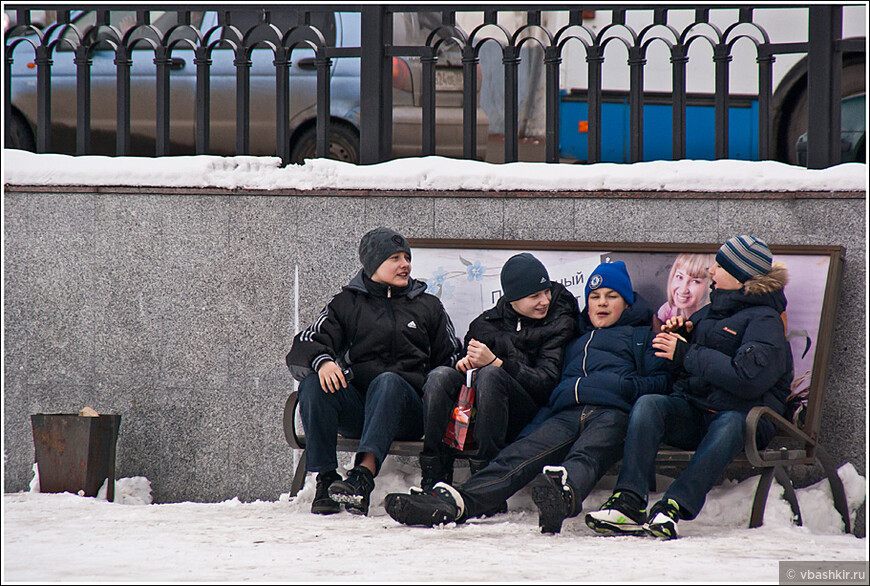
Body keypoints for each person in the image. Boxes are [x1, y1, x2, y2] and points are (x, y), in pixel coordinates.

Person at [384, 261, 670, 533]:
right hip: (566, 412)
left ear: (627, 302)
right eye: (594, 296)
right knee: (516, 458)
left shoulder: (643, 336)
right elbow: (551, 394)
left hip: (613, 413)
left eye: (612, 296)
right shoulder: (577, 340)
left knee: (587, 456)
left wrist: (620, 386)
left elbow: (660, 382)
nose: (602, 303)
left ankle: (561, 494)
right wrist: (530, 435)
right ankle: (457, 502)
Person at [585, 235, 792, 540]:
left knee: (732, 421)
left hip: (743, 418)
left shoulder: (766, 321)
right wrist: (679, 343)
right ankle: (629, 502)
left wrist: (686, 352)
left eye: (720, 266)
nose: (712, 271)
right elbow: (685, 370)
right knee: (650, 403)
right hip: (698, 411)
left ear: (740, 276)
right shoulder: (707, 314)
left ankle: (673, 506)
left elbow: (747, 380)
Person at [285, 227, 462, 516]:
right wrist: (325, 361)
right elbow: (305, 343)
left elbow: (450, 356)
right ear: (372, 264)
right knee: (314, 384)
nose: (405, 264)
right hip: (360, 410)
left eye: (407, 257)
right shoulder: (346, 303)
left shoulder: (428, 306)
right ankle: (326, 480)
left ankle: (363, 478)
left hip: (409, 412)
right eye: (395, 258)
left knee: (389, 381)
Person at [419, 253, 580, 491]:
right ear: (512, 299)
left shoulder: (559, 322)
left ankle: (487, 479)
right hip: (480, 411)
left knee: (491, 375)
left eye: (546, 292)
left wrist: (497, 363)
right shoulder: (484, 325)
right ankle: (435, 474)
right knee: (440, 376)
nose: (545, 300)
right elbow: (467, 373)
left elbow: (547, 383)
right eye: (535, 296)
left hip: (529, 413)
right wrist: (465, 366)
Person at [656, 253, 714, 324]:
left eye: (695, 281)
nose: (683, 290)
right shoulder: (667, 311)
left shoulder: (711, 319)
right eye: (680, 277)